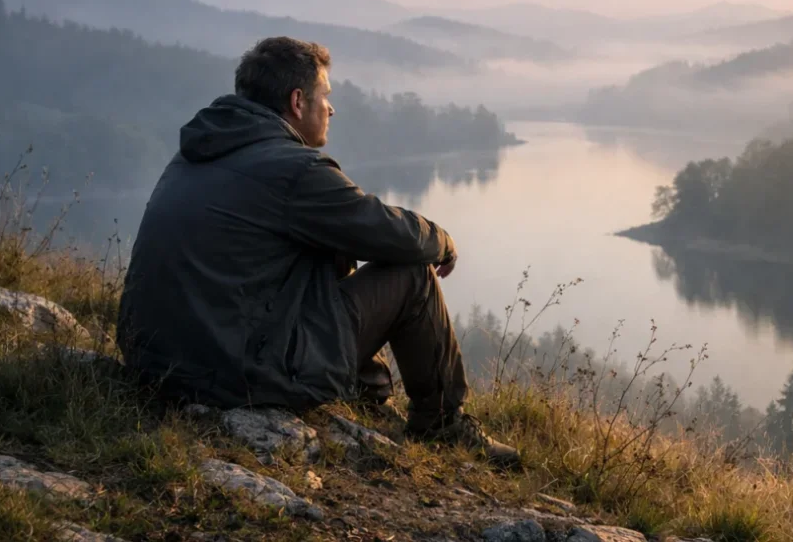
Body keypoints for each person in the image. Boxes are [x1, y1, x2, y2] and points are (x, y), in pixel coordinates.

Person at [117, 36, 519, 467]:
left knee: (326, 251)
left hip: (154, 361)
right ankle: (442, 426)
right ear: (297, 102)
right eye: (325, 96)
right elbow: (386, 230)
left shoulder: (198, 151)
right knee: (411, 276)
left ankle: (365, 388)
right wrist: (441, 239)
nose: (330, 108)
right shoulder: (294, 170)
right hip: (235, 376)